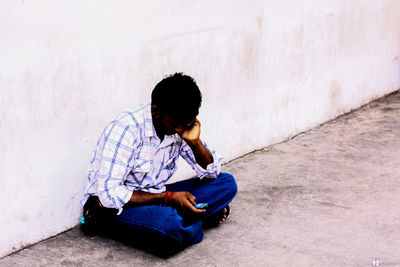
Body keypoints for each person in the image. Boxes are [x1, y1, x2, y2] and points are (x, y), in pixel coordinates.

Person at [81, 73, 237, 256]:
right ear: (156, 111)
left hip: (158, 195)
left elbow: (212, 173)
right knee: (167, 226)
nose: (179, 130)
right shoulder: (125, 130)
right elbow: (107, 196)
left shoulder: (180, 125)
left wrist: (195, 142)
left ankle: (183, 220)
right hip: (115, 208)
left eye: (186, 124)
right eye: (175, 124)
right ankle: (200, 218)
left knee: (227, 183)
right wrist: (168, 197)